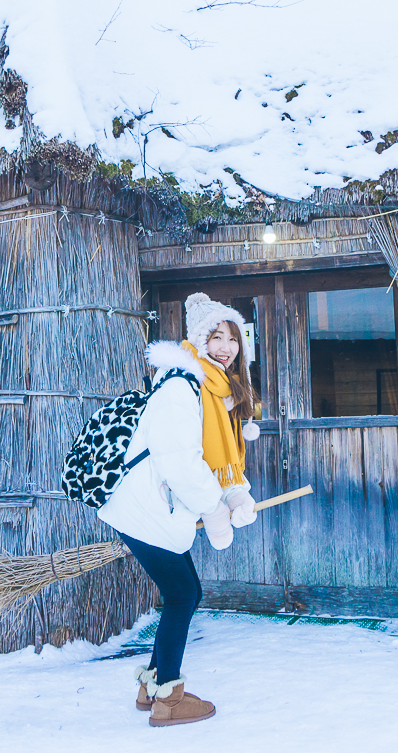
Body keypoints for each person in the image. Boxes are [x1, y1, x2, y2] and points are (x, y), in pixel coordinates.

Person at [97, 292, 261, 727]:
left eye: (233, 338)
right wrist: (214, 507)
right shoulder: (180, 386)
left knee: (182, 592)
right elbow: (180, 462)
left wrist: (233, 496)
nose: (226, 347)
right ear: (198, 339)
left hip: (152, 511)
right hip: (145, 510)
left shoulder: (213, 391)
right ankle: (168, 698)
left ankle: (152, 686)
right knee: (184, 593)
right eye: (216, 336)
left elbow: (213, 460)